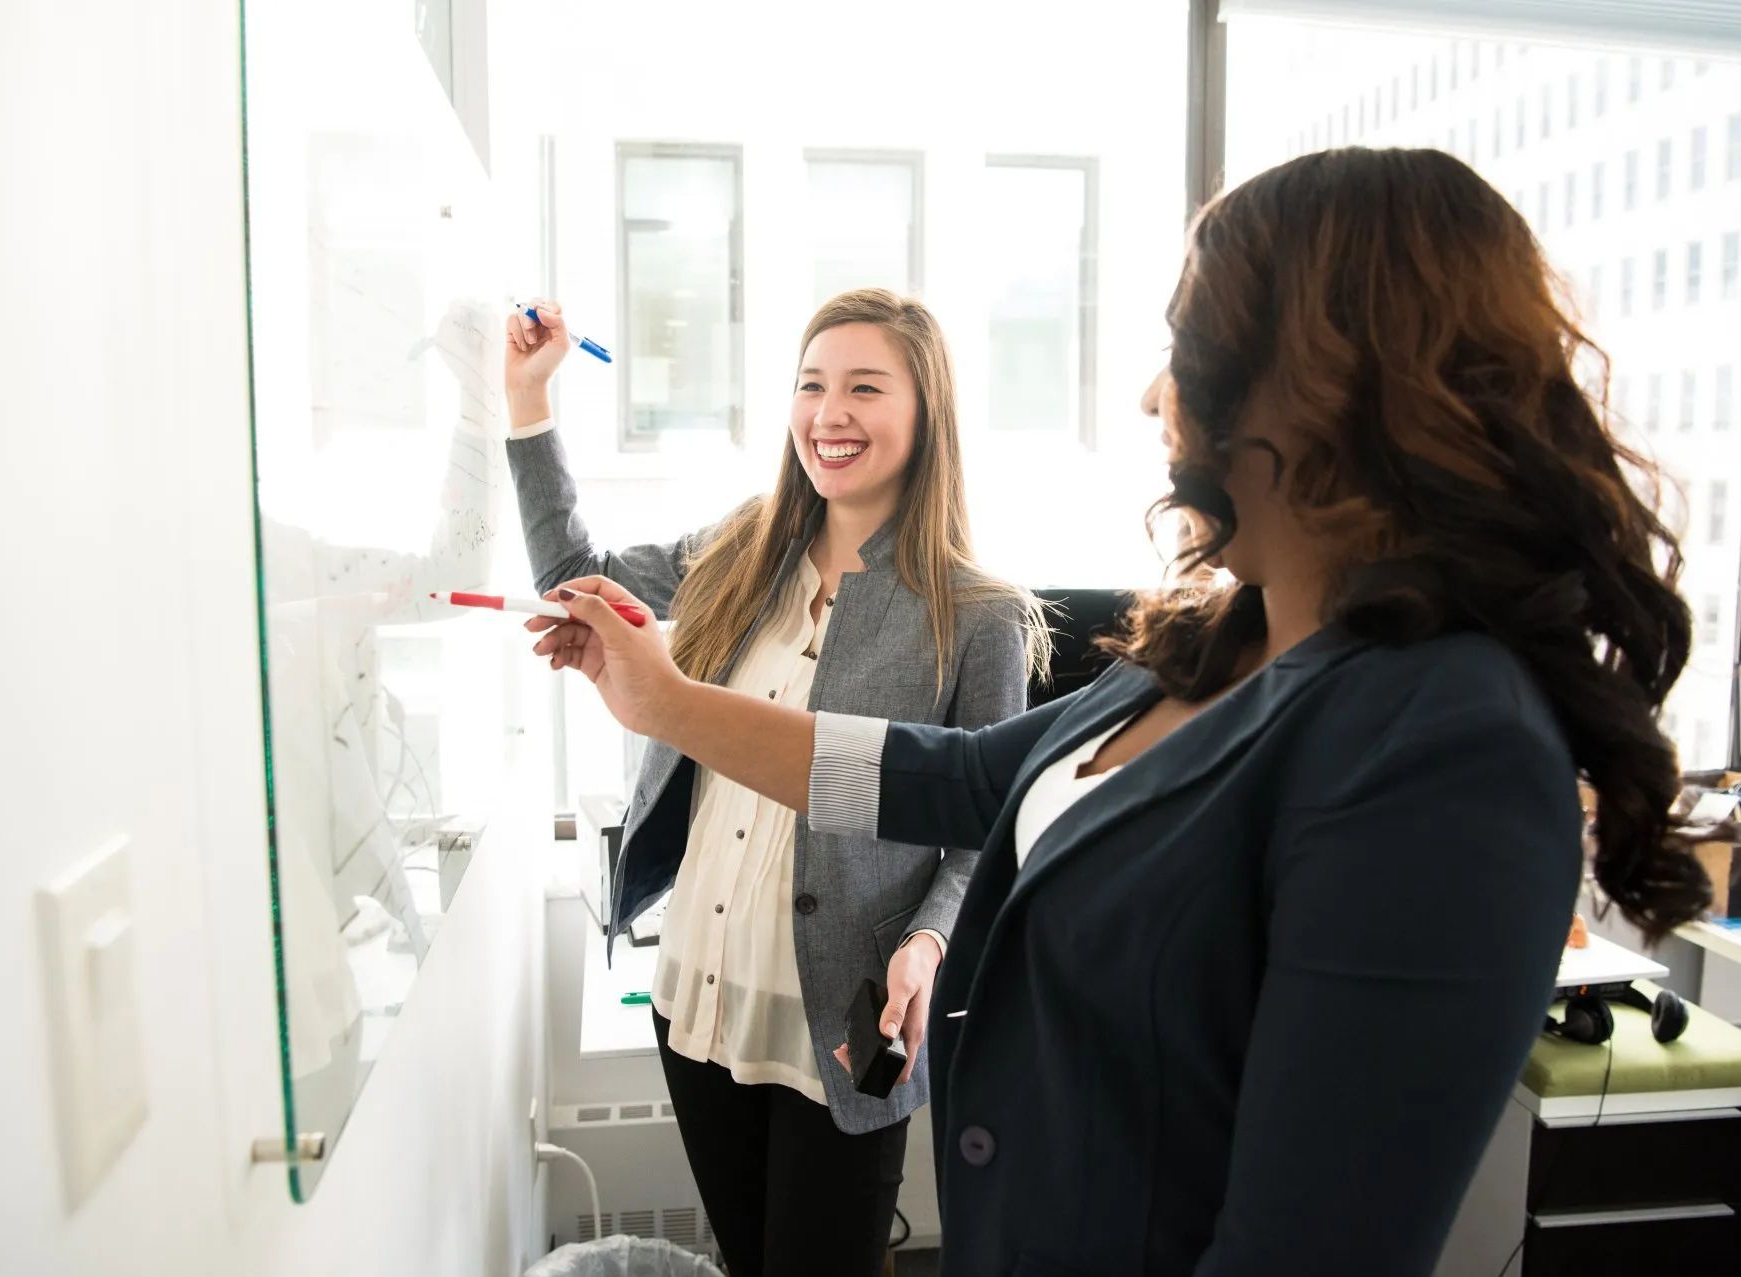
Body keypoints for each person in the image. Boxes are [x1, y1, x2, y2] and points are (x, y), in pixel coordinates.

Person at [523, 149, 1713, 1276]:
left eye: (1185, 346)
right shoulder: (1211, 642)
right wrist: (667, 703)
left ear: (1325, 381)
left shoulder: (1444, 745)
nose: (1153, 393)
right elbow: (954, 777)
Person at [502, 289, 1048, 1276]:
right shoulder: (740, 548)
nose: (827, 414)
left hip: (855, 1014)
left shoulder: (978, 614)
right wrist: (528, 403)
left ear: (926, 412)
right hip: (699, 990)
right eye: (810, 385)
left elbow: (988, 827)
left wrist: (927, 944)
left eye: (863, 388)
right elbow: (572, 574)